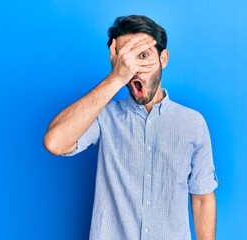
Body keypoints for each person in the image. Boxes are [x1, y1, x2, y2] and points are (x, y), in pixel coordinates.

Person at [44, 15, 218, 240]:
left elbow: (202, 197)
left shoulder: (193, 123)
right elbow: (55, 142)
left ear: (163, 58)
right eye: (126, 60)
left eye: (143, 56)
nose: (134, 69)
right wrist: (116, 78)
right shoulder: (103, 117)